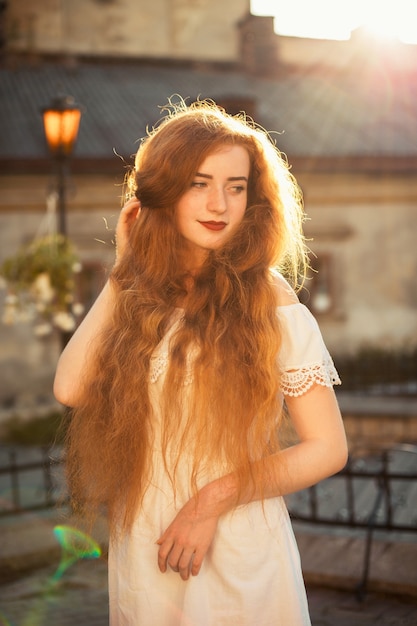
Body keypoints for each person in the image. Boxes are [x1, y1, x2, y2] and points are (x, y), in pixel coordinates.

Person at [54, 99, 348, 626]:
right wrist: (123, 270)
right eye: (198, 183)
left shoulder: (269, 298)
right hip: (144, 538)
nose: (219, 204)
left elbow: (328, 448)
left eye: (236, 187)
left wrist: (212, 501)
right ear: (163, 192)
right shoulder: (138, 293)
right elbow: (70, 387)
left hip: (235, 541)